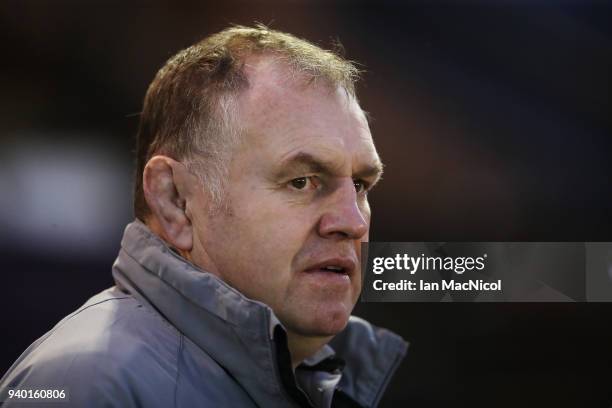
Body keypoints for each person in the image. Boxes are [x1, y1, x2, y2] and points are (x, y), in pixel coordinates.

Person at [0, 25, 407, 407]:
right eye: (301, 181)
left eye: (359, 186)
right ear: (175, 199)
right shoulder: (90, 383)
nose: (352, 223)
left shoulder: (324, 379)